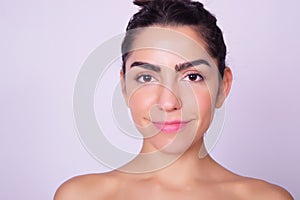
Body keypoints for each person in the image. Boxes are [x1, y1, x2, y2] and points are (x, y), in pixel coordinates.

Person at [54, 0, 294, 199]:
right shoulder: (80, 196)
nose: (168, 101)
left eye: (191, 76)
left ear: (223, 86)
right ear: (125, 87)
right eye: (146, 77)